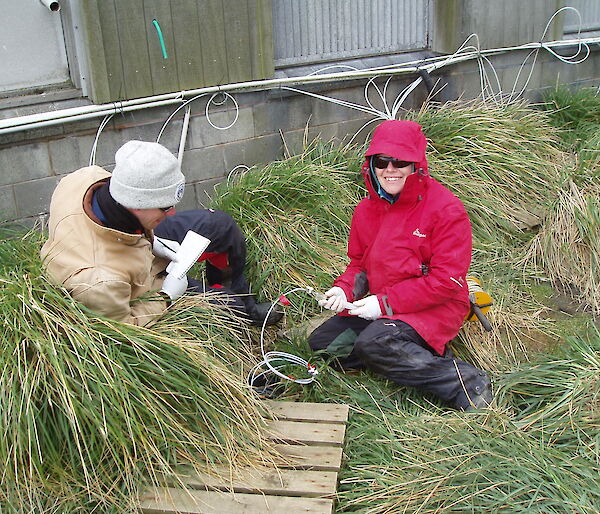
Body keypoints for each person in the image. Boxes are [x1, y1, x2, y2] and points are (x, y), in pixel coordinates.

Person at [309, 120, 492, 411]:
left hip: (436, 306)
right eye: (382, 161)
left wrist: (383, 306)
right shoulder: (366, 210)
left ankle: (467, 383)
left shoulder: (446, 210)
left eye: (401, 161)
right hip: (383, 302)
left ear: (416, 165)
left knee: (376, 342)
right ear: (372, 164)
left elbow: (446, 281)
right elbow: (359, 263)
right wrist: (344, 290)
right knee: (323, 343)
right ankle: (393, 354)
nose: (390, 170)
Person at [40, 140, 282, 327]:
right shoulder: (100, 283)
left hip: (133, 238)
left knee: (220, 226)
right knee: (228, 307)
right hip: (138, 286)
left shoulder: (85, 178)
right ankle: (238, 310)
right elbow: (127, 329)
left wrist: (151, 241)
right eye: (165, 207)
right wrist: (166, 297)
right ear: (136, 203)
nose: (174, 213)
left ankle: (241, 297)